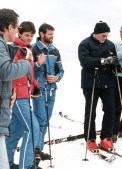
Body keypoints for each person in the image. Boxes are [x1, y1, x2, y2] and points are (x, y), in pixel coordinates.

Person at [5, 21, 45, 169]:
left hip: (25, 95)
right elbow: (11, 71)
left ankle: (6, 162)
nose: (29, 38)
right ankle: (26, 165)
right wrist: (13, 92)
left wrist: (35, 86)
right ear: (19, 33)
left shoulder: (28, 49)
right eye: (26, 35)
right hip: (18, 97)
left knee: (15, 132)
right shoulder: (14, 48)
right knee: (33, 129)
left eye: (31, 36)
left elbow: (29, 72)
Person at [78, 21, 120, 151]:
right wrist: (103, 61)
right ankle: (90, 138)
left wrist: (116, 66)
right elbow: (84, 61)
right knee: (91, 111)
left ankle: (106, 137)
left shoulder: (110, 45)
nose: (105, 37)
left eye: (107, 35)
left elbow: (114, 59)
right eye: (103, 35)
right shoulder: (85, 43)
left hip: (108, 82)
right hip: (91, 82)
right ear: (96, 33)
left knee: (110, 109)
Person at [0, 8, 32, 169]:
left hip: (9, 102)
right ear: (10, 27)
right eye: (18, 28)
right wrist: (26, 63)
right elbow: (6, 70)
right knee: (32, 129)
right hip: (16, 99)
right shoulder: (1, 45)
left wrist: (7, 92)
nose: (18, 31)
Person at [32, 23, 64, 161]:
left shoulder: (55, 51)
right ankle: (35, 149)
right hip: (39, 90)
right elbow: (29, 70)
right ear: (41, 34)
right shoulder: (33, 49)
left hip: (52, 90)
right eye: (49, 34)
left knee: (45, 121)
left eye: (53, 34)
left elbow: (61, 70)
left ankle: (39, 149)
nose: (52, 37)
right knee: (41, 119)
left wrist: (57, 78)